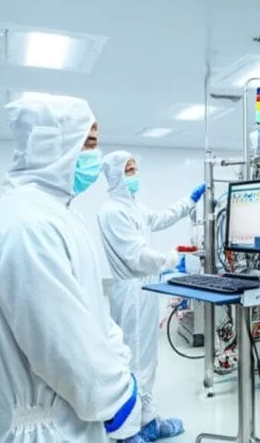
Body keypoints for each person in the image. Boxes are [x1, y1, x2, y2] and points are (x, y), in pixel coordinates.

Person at [0, 95, 144, 442]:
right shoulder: (26, 224)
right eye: (89, 144)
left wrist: (120, 369)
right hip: (42, 429)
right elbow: (63, 350)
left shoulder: (59, 214)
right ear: (53, 145)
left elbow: (92, 313)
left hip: (69, 420)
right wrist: (117, 395)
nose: (94, 157)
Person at [97, 150, 206, 440]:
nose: (135, 175)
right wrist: (172, 259)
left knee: (148, 358)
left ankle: (148, 420)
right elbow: (137, 257)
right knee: (133, 360)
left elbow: (159, 219)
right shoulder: (112, 212)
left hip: (143, 289)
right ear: (115, 175)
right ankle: (128, 431)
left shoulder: (133, 206)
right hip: (131, 292)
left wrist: (189, 202)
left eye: (135, 169)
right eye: (128, 170)